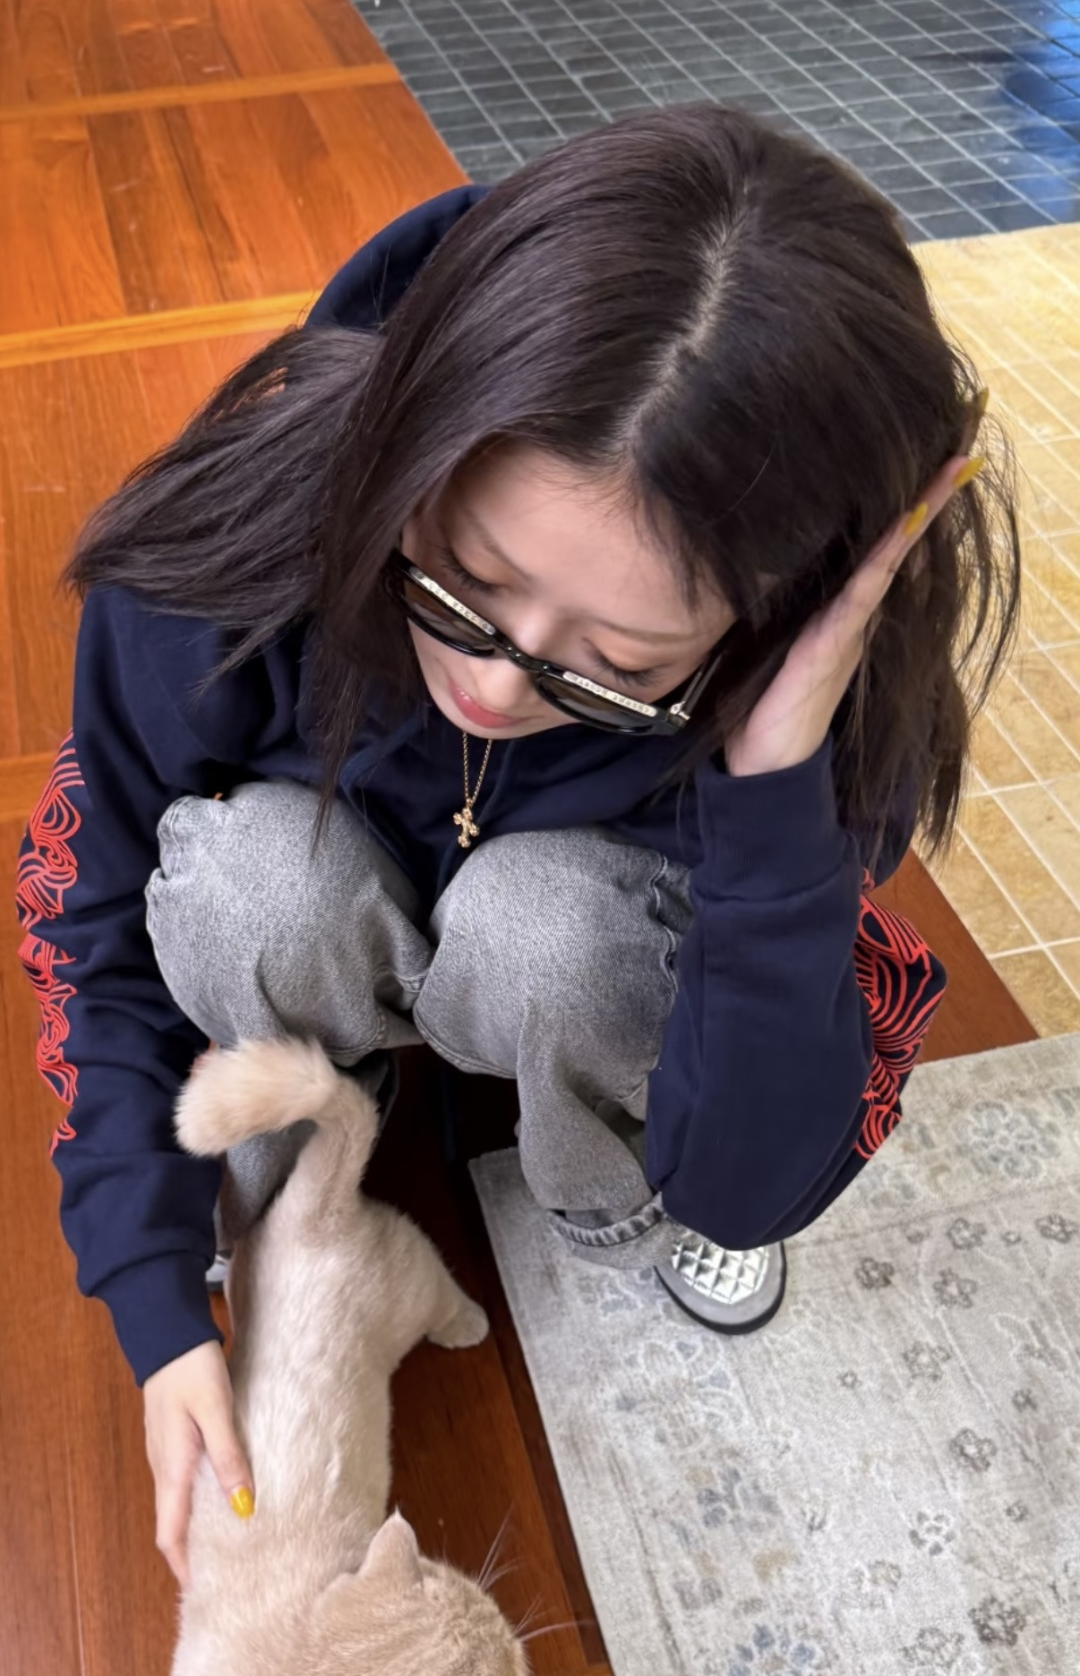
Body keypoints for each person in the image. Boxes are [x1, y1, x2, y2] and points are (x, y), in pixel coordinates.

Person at [17, 106, 1018, 1586]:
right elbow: (95, 919)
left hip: (576, 949)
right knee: (245, 883)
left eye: (618, 664)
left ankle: (611, 1200)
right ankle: (302, 1150)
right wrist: (153, 1290)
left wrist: (776, 782)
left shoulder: (800, 710)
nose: (492, 687)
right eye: (463, 582)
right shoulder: (229, 554)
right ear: (403, 441)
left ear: (770, 624)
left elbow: (758, 1174)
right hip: (328, 912)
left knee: (561, 935)